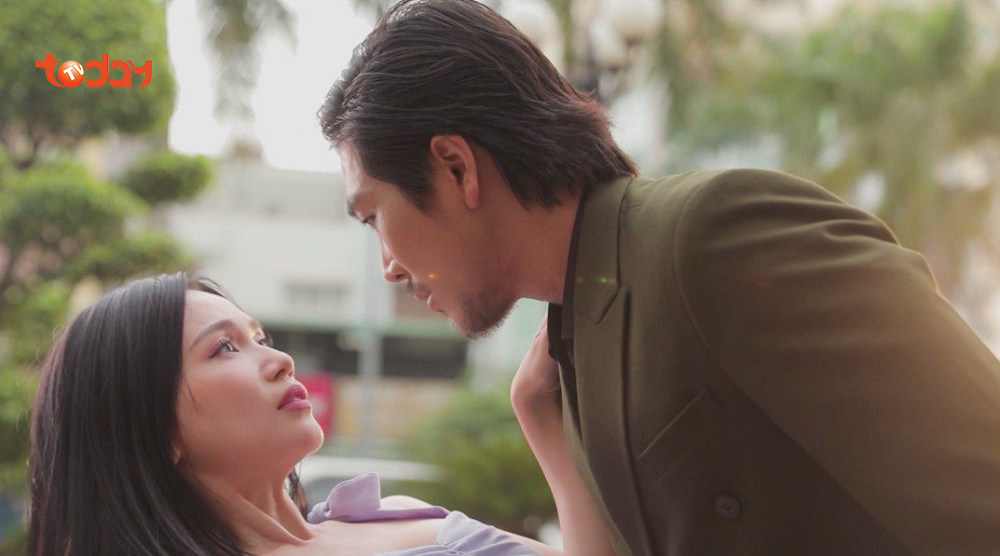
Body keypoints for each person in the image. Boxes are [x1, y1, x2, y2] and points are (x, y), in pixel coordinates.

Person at [317, 0, 1000, 554]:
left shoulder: (710, 235)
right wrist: (542, 419)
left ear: (456, 166)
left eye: (373, 216)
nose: (389, 267)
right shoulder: (567, 351)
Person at [27, 272, 612, 555]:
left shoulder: (389, 513)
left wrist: (537, 413)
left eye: (259, 337)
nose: (280, 360)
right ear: (155, 430)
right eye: (224, 348)